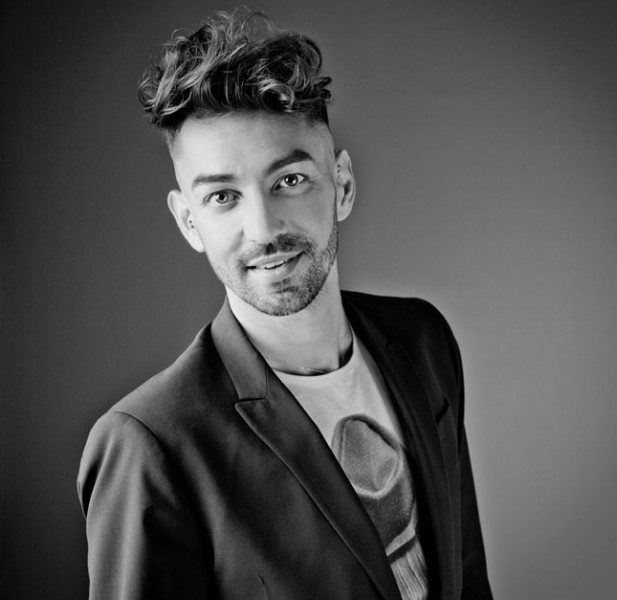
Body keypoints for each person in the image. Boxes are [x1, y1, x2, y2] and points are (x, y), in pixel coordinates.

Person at [77, 10, 492, 600]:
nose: (263, 228)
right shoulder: (152, 444)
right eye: (223, 196)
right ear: (188, 221)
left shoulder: (423, 340)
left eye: (289, 181)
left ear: (342, 184)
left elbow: (468, 580)